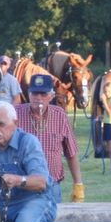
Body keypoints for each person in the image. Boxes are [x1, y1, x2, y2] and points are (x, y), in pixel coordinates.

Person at [15, 73, 84, 202]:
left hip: (52, 185)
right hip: (24, 187)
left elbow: (71, 153)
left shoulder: (59, 115)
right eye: (35, 94)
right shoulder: (16, 114)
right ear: (28, 94)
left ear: (51, 95)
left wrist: (78, 184)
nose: (38, 98)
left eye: (43, 94)